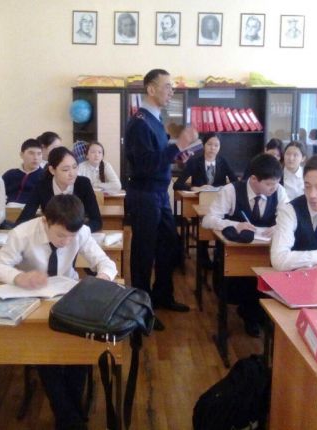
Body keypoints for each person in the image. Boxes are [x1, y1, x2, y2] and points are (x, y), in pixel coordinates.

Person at [0, 194, 116, 430]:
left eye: (71, 237)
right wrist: (19, 277)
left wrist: (102, 278)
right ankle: (71, 418)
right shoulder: (23, 233)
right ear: (45, 221)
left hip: (67, 297)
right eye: (60, 235)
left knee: (79, 351)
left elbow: (106, 263)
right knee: (45, 354)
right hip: (32, 298)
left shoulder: (81, 232)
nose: (66, 242)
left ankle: (69, 418)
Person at [124, 69, 196, 330]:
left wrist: (177, 153)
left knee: (169, 245)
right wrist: (178, 145)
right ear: (151, 89)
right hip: (144, 194)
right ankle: (141, 311)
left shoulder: (155, 119)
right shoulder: (139, 123)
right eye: (167, 86)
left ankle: (162, 296)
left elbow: (158, 158)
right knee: (143, 254)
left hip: (159, 194)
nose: (171, 91)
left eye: (172, 87)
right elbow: (145, 165)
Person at [203, 154, 289, 336]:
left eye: (276, 183)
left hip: (267, 251)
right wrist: (235, 225)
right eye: (269, 184)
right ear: (254, 179)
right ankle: (250, 315)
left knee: (267, 280)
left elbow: (289, 218)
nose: (273, 188)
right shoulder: (231, 190)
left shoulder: (279, 191)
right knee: (245, 282)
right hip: (238, 253)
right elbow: (208, 220)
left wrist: (278, 226)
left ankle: (258, 315)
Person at [16, 146, 102, 232]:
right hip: (51, 234)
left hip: (76, 234)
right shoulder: (42, 186)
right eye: (65, 169)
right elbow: (23, 219)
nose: (72, 173)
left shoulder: (84, 184)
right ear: (52, 170)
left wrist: (75, 231)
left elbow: (97, 221)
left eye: (75, 167)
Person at [173, 133, 237, 191]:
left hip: (219, 198)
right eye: (209, 144)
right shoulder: (194, 162)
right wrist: (193, 188)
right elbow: (177, 185)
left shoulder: (223, 162)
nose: (212, 148)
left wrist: (225, 188)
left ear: (219, 147)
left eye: (216, 145)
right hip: (198, 198)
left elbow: (236, 182)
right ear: (204, 145)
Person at [2, 138, 44, 204]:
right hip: (8, 208)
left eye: (39, 154)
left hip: (32, 209)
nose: (36, 157)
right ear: (21, 155)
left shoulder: (45, 176)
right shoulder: (10, 174)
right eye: (31, 153)